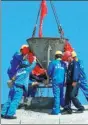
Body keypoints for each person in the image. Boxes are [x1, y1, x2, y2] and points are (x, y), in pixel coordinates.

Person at [47, 51, 66, 115]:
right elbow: (65, 72)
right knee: (61, 95)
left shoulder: (53, 63)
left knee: (57, 96)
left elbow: (49, 72)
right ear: (61, 56)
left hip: (56, 81)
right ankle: (64, 107)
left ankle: (56, 111)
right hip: (62, 81)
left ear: (55, 56)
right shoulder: (64, 64)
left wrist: (48, 78)